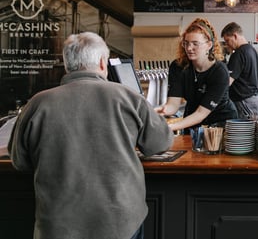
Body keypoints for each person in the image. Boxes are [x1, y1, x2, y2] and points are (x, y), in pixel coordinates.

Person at [9, 32, 173, 239]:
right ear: (103, 63)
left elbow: (19, 161)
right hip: (120, 221)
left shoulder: (37, 104)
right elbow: (160, 143)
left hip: (58, 224)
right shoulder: (129, 97)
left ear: (67, 65)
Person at [158, 18, 237, 131]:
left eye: (195, 44)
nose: (189, 48)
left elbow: (201, 113)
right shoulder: (178, 67)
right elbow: (173, 105)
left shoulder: (219, 71)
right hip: (192, 121)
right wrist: (160, 110)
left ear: (209, 45)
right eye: (186, 43)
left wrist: (171, 127)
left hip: (220, 125)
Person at [221, 22, 258, 119]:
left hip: (244, 101)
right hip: (253, 99)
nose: (227, 45)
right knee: (253, 129)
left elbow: (227, 82)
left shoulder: (238, 54)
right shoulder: (252, 50)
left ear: (235, 36)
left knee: (245, 131)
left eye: (227, 40)